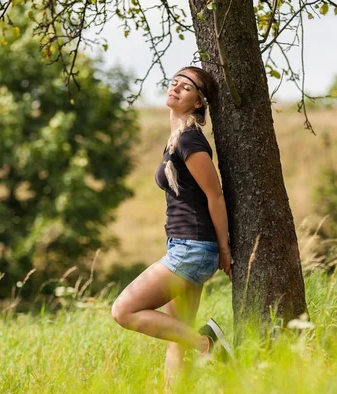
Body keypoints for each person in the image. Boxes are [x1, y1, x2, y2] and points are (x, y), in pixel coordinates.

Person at [111, 66, 234, 389]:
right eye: (174, 83)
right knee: (177, 337)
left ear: (198, 102)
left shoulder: (190, 141)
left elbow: (215, 195)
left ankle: (209, 345)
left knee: (124, 310)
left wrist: (223, 250)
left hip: (192, 249)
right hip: (185, 246)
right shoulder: (177, 139)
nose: (177, 88)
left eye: (187, 87)